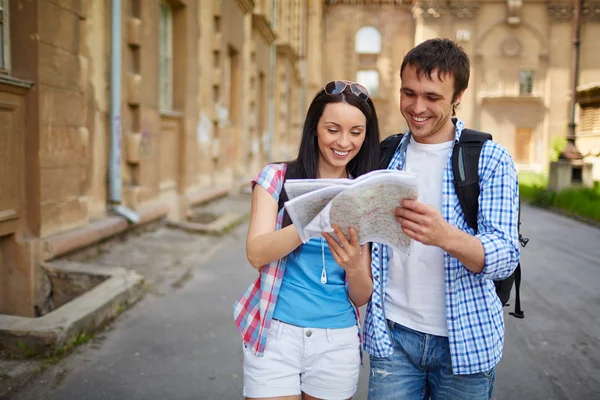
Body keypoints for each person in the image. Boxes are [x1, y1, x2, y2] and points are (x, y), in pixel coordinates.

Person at [364, 38, 520, 400]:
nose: (417, 107)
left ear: (457, 96)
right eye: (408, 93)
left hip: (466, 341)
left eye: (432, 97)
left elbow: (505, 256)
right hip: (393, 337)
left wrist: (444, 235)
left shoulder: (490, 159)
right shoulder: (384, 155)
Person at [234, 80, 381, 400]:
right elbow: (256, 253)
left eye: (356, 132)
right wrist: (310, 221)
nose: (344, 142)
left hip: (336, 342)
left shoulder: (365, 195)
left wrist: (355, 267)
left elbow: (361, 296)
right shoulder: (276, 177)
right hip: (274, 336)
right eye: (333, 129)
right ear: (314, 128)